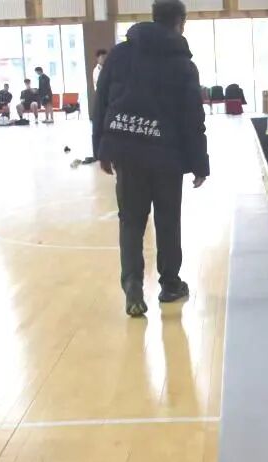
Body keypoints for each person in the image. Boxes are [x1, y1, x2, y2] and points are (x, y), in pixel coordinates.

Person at [93, 0, 209, 317]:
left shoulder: (120, 54)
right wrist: (199, 163)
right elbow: (192, 118)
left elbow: (101, 103)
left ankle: (132, 285)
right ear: (180, 22)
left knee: (131, 221)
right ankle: (170, 284)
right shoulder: (182, 63)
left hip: (126, 151)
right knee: (168, 220)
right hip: (167, 155)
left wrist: (101, 148)